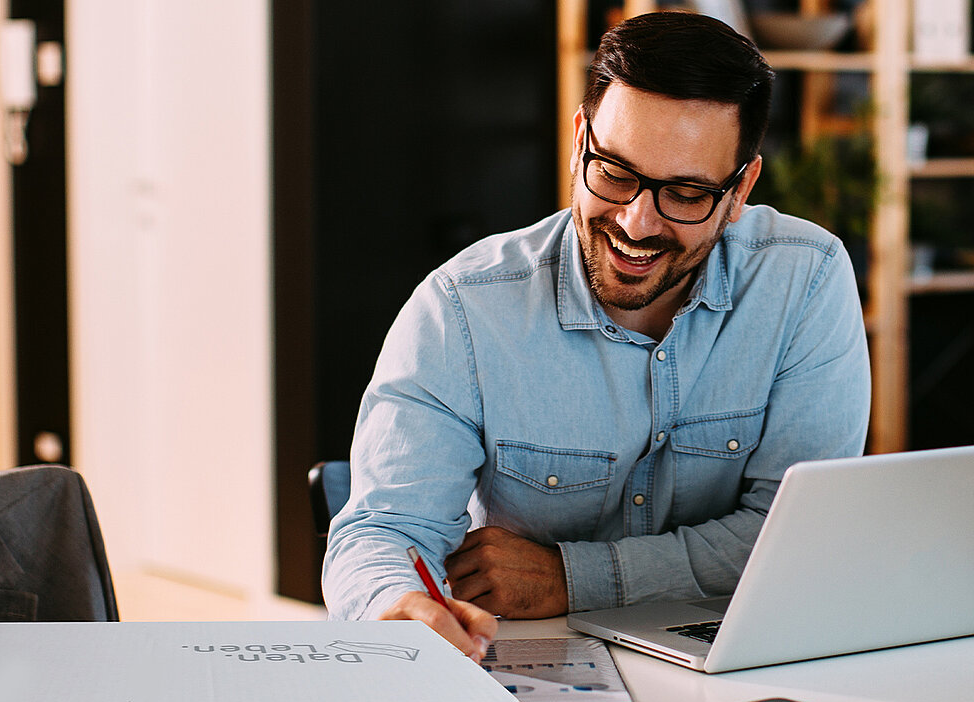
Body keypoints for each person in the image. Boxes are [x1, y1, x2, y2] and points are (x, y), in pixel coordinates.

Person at [321, 11, 871, 660]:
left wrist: (570, 577)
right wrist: (394, 603)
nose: (637, 223)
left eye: (688, 193)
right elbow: (383, 532)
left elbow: (794, 539)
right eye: (614, 171)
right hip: (526, 673)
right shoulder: (462, 310)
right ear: (580, 137)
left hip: (736, 667)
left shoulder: (804, 279)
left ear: (740, 188)